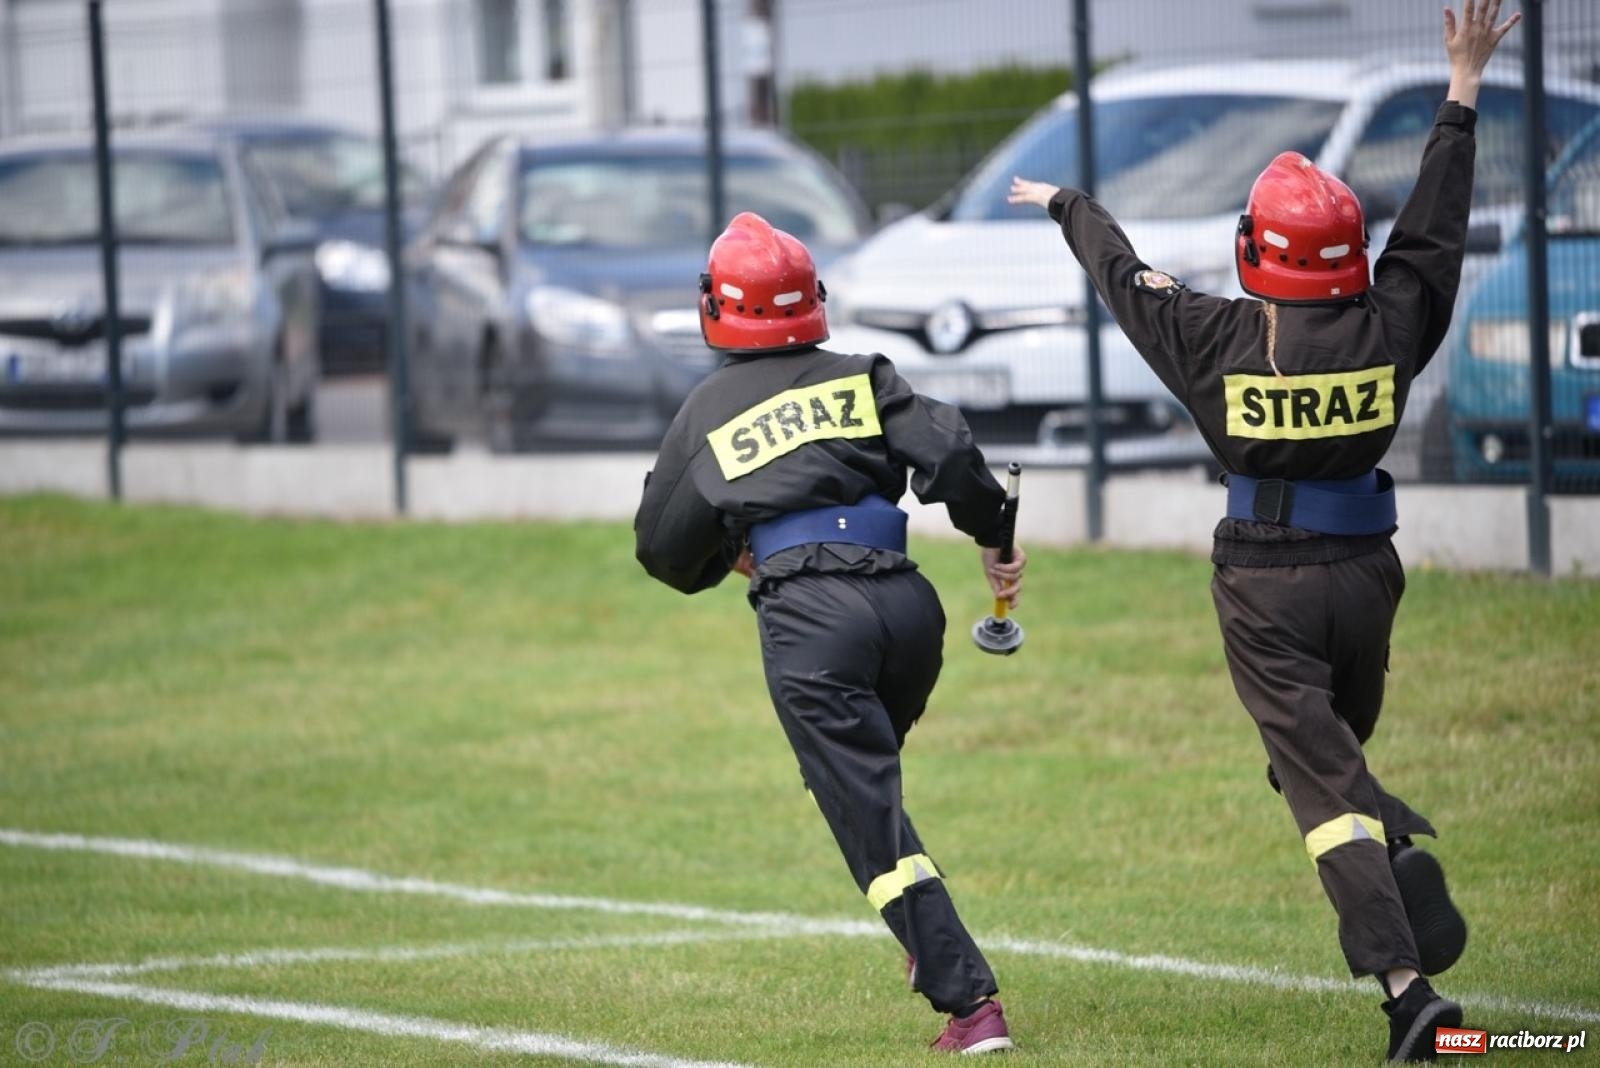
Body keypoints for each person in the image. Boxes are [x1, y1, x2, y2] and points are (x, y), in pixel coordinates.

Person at [1007, 1, 1518, 1061]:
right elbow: (1433, 221)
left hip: (1263, 587)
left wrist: (1068, 203)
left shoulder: (1209, 339)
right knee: (1328, 754)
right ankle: (1379, 834)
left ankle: (1405, 989)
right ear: (1347, 252)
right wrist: (1460, 90)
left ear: (1256, 253)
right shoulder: (1394, 319)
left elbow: (1123, 277)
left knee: (1319, 789)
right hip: (1369, 576)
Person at [635, 211, 1025, 1055]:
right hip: (909, 609)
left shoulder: (706, 410)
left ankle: (970, 1005)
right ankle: (924, 938)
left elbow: (663, 550)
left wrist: (740, 554)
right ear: (812, 299)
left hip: (815, 621)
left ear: (717, 306)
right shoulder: (863, 374)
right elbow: (952, 456)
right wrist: (994, 536)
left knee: (865, 813)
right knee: (860, 783)